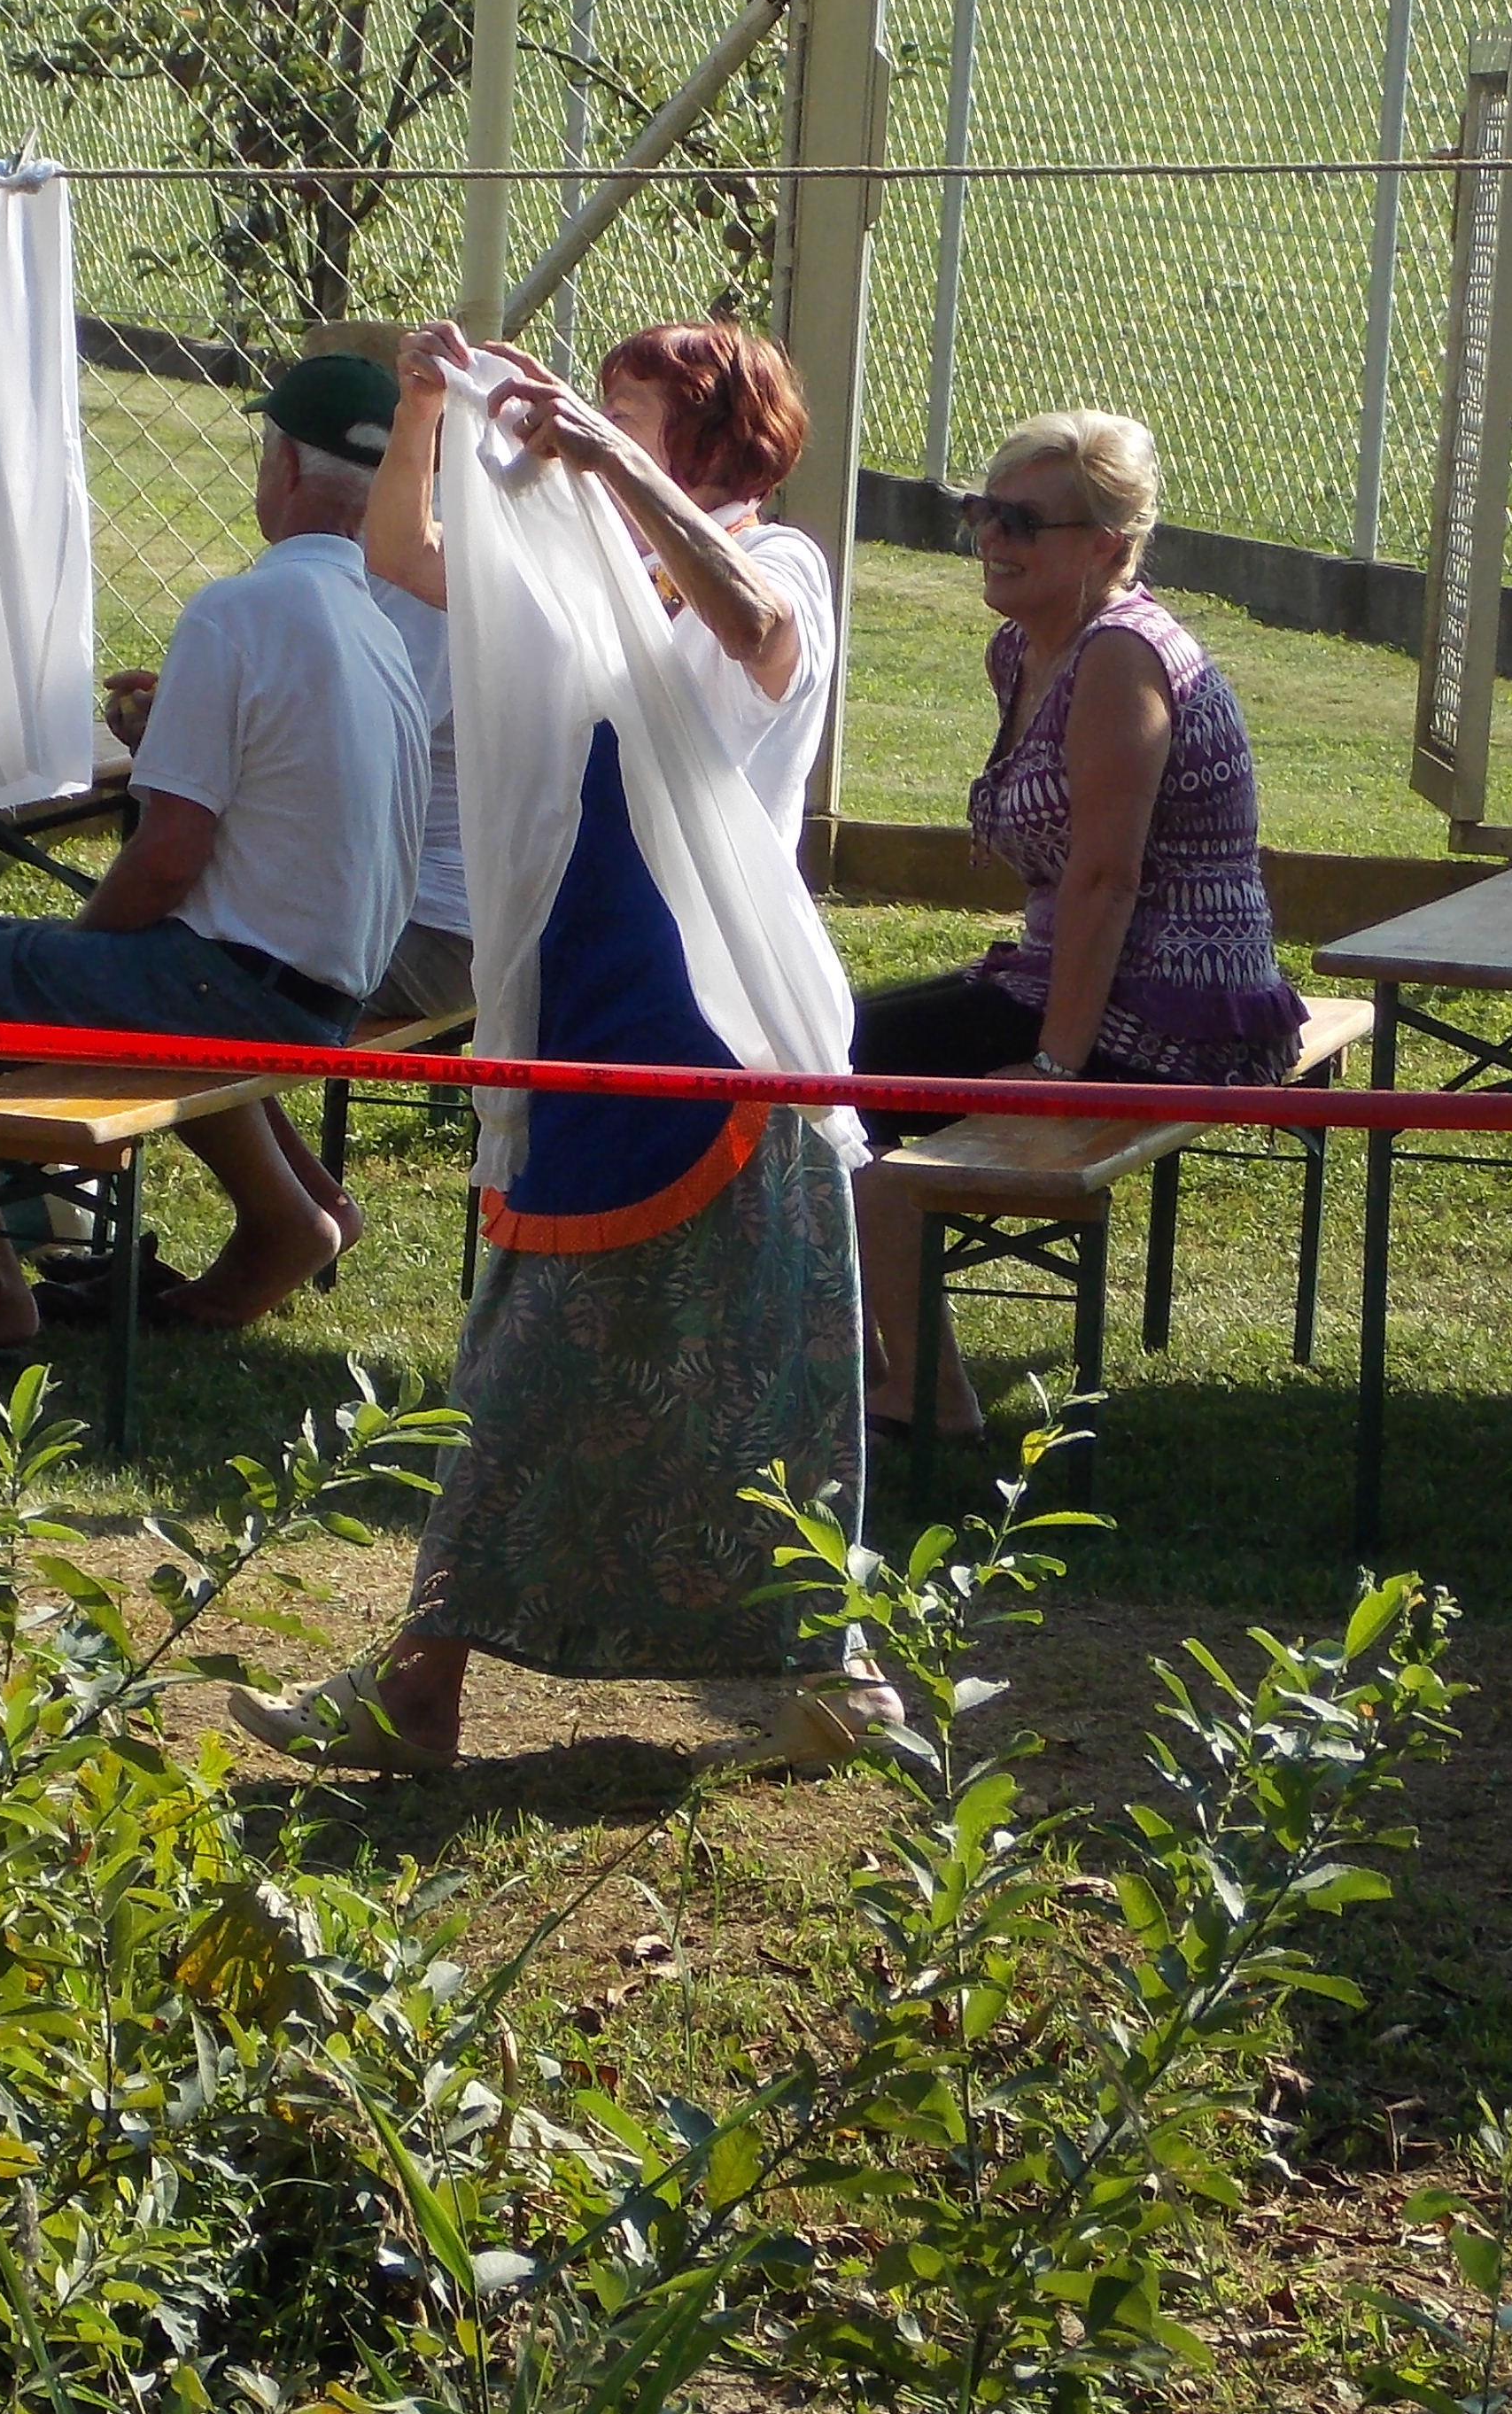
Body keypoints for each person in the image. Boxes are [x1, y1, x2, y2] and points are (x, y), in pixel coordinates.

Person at [230, 317, 892, 1776]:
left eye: (628, 415)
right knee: (601, 1371)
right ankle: (815, 1679)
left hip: (717, 1039)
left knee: (663, 1377)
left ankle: (439, 1687)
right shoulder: (581, 579)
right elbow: (406, 558)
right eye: (599, 408)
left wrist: (610, 470)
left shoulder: (776, 562)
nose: (586, 429)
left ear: (709, 446)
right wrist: (422, 409)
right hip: (587, 1017)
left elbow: (757, 634)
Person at [0, 357, 426, 1356]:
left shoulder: (243, 610)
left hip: (232, 990)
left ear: (287, 469)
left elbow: (169, 857)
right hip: (325, 996)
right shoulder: (377, 632)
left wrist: (82, 950)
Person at [846, 411, 1307, 1444]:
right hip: (1072, 977)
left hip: (1175, 1010)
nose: (990, 537)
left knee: (832, 1071)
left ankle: (925, 1392)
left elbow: (1105, 879)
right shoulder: (1023, 650)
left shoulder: (1120, 659)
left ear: (1105, 544)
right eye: (982, 511)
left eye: (1021, 521)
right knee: (823, 1049)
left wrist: (1054, 1072)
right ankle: (873, 1362)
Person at [95, 349, 468, 1310]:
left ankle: (289, 1217)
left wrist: (191, 731)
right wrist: (191, 716)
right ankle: (303, 1204)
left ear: (292, 467)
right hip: (420, 917)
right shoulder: (412, 567)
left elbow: (333, 761)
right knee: (206, 944)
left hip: (426, 930)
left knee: (196, 957)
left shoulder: (405, 583)